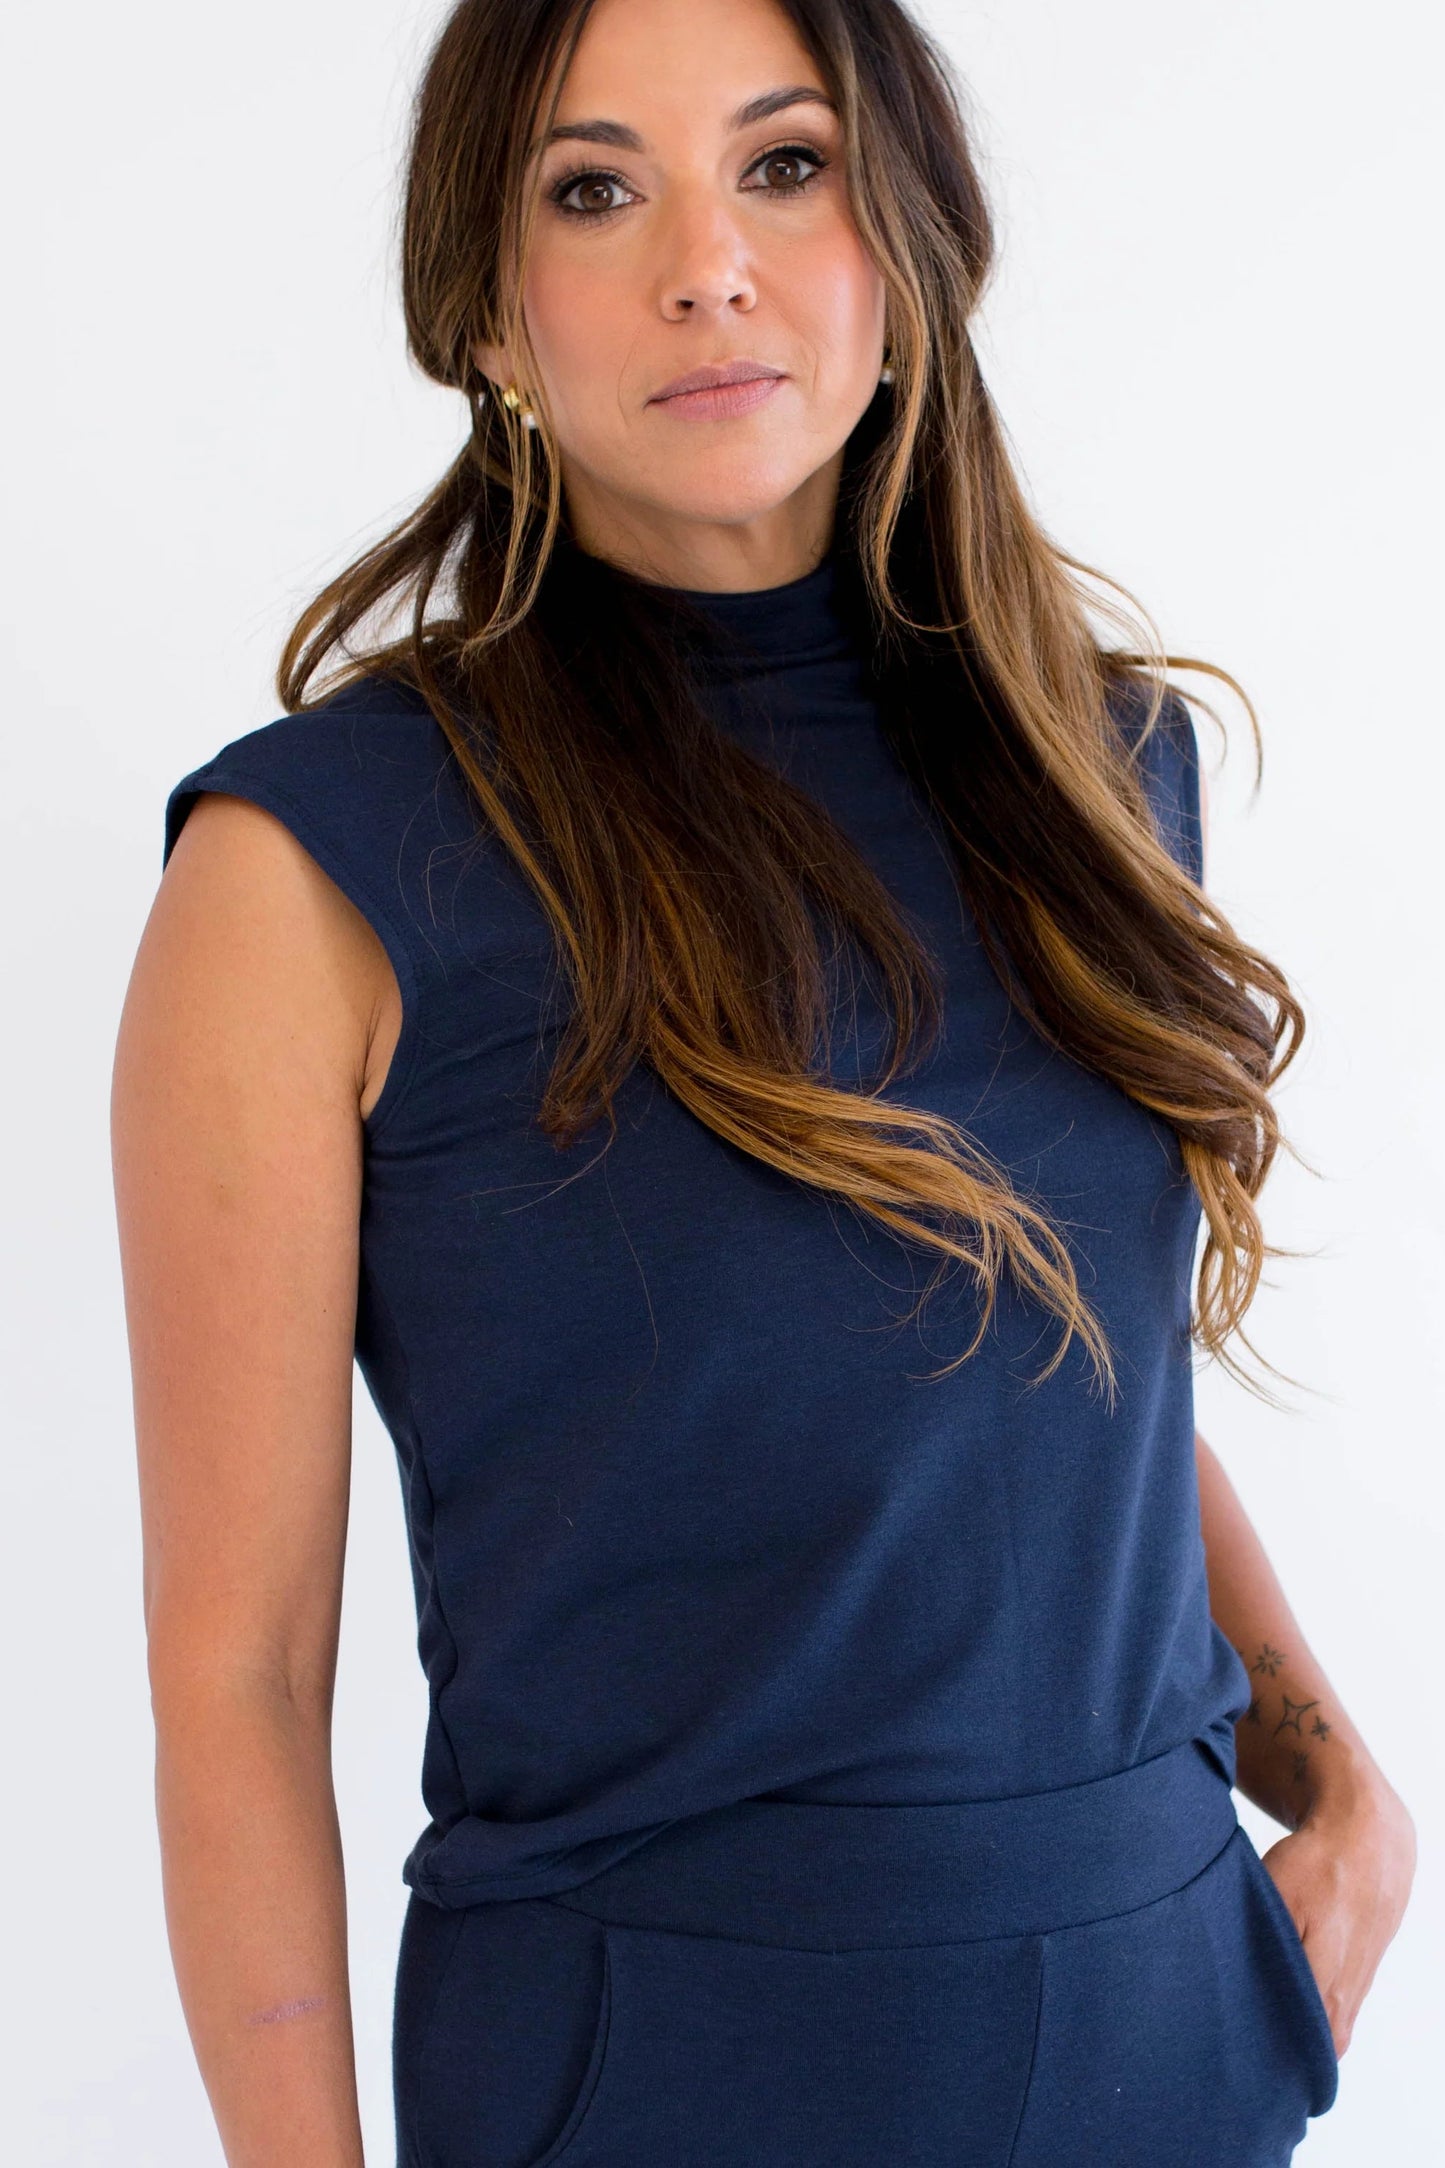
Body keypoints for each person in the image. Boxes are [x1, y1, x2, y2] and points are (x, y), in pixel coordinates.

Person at [110, 1, 1415, 2162]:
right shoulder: (315, 872)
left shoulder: (1104, 778)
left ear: (904, 242)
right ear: (490, 312)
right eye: (594, 188)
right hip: (663, 2069)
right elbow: (235, 1675)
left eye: (785, 165)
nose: (704, 260)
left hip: (1169, 2031)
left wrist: (1348, 1793)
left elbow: (1078, 1377)